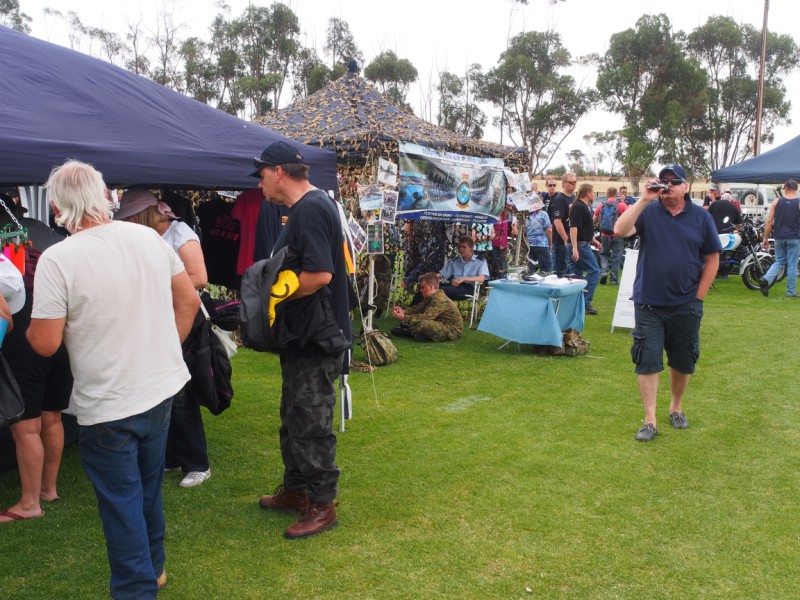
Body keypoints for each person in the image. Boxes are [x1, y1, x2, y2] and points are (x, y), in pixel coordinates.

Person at [27, 159, 200, 597]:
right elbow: (189, 301)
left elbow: (44, 343)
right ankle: (152, 568)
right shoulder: (147, 237)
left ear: (56, 206)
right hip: (159, 386)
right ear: (104, 194)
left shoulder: (58, 258)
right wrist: (162, 349)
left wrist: (27, 325)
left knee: (123, 500)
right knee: (146, 488)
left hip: (109, 402)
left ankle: (136, 588)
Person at [250, 141, 352, 540]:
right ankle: (296, 490)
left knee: (310, 420)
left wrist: (274, 296)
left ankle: (322, 505)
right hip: (302, 335)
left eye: (261, 175)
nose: (259, 185)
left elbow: (319, 275)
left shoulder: (310, 208)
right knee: (293, 415)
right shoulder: (308, 206)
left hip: (316, 337)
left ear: (278, 172)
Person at [614, 164, 721, 442]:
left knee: (683, 360)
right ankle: (649, 419)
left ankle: (676, 407)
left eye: (674, 181)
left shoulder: (701, 217)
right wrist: (644, 198)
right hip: (649, 302)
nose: (668, 185)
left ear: (686, 186)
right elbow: (620, 230)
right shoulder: (648, 211)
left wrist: (699, 296)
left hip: (686, 303)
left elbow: (712, 258)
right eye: (664, 181)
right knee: (647, 361)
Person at [114, 189, 213, 489]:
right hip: (156, 318)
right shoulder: (143, 238)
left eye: (129, 218)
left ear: (141, 215)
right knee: (160, 390)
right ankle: (171, 456)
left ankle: (197, 463)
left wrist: (152, 283)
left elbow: (199, 278)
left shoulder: (178, 233)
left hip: (181, 317)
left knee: (180, 391)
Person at [0, 204, 73, 524]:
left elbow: (4, 317)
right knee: (52, 417)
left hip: (23, 342)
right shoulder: (42, 242)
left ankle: (29, 504)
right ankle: (47, 490)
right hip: (57, 334)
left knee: (27, 428)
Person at [390, 273, 462, 342]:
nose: (421, 290)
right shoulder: (431, 296)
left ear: (430, 287)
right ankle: (416, 332)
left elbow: (427, 317)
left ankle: (410, 332)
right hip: (440, 324)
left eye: (423, 287)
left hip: (452, 330)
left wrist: (404, 317)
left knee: (424, 323)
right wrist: (403, 311)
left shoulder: (439, 299)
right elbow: (417, 309)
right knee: (419, 321)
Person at [759, 179, 800, 298]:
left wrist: (765, 237)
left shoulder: (776, 201)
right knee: (792, 265)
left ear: (785, 188)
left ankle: (765, 279)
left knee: (779, 261)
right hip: (794, 237)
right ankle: (791, 292)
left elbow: (769, 221)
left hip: (779, 237)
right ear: (796, 189)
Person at [568, 184, 601, 315]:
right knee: (595, 271)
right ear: (587, 193)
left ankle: (574, 303)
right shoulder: (579, 207)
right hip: (580, 245)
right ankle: (585, 302)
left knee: (576, 276)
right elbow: (574, 227)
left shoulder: (582, 206)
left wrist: (593, 240)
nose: (593, 194)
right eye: (593, 192)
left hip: (580, 244)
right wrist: (575, 248)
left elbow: (583, 228)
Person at [593, 187, 628, 285]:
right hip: (618, 235)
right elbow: (628, 219)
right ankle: (613, 280)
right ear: (617, 194)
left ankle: (604, 272)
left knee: (604, 254)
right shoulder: (622, 205)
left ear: (607, 195)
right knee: (616, 257)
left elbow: (594, 220)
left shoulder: (601, 205)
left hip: (604, 235)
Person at [438, 235, 489, 300]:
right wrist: (430, 277)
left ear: (471, 248)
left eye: (464, 247)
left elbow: (481, 278)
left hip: (469, 287)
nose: (461, 249)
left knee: (440, 290)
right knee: (433, 287)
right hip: (454, 286)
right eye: (459, 247)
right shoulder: (454, 261)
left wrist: (464, 279)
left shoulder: (480, 261)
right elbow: (442, 275)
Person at [547, 172, 577, 276]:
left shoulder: (573, 198)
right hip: (561, 241)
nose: (574, 185)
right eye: (571, 182)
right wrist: (565, 239)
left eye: (575, 182)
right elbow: (557, 221)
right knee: (560, 271)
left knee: (570, 269)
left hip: (571, 239)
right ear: (564, 183)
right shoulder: (560, 198)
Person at [525, 198, 553, 273]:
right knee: (547, 269)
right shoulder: (543, 214)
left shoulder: (527, 215)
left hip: (530, 244)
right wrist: (550, 244)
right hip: (542, 244)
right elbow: (549, 230)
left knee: (531, 269)